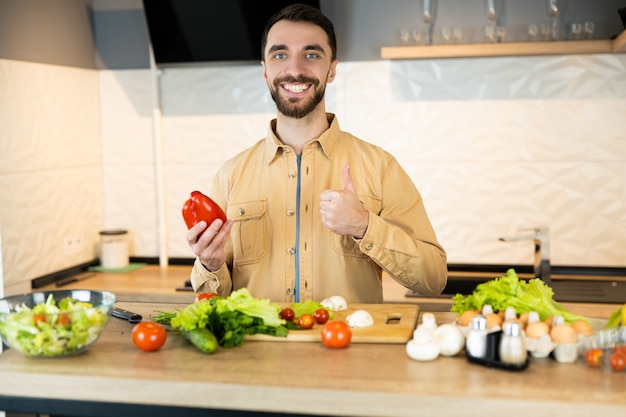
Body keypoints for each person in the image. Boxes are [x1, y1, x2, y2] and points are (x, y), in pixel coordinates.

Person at [186, 3, 447, 303]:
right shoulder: (231, 175)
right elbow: (211, 299)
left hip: (347, 346)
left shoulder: (380, 167)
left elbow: (434, 279)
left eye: (311, 55)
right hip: (261, 349)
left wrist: (365, 226)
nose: (295, 69)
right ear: (265, 70)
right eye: (280, 55)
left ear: (332, 69)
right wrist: (211, 265)